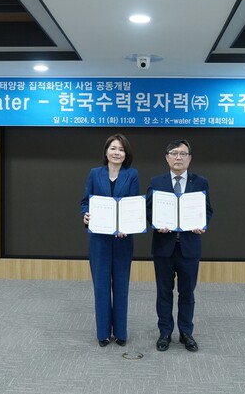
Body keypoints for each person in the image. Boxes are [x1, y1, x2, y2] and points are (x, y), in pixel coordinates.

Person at [146, 139, 213, 352]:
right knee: (164, 293)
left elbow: (208, 210)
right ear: (167, 158)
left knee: (187, 293)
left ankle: (186, 333)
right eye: (174, 153)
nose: (178, 157)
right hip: (164, 247)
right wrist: (157, 224)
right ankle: (165, 332)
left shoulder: (200, 182)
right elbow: (148, 210)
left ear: (189, 158)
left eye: (183, 154)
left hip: (189, 248)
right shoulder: (156, 182)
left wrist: (202, 224)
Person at [80, 133, 139, 347]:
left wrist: (128, 226)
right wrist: (85, 215)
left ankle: (121, 333)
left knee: (121, 286)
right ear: (106, 152)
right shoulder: (95, 174)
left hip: (123, 241)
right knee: (102, 286)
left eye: (121, 149)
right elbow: (85, 202)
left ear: (126, 154)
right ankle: (103, 333)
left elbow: (133, 206)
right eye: (113, 148)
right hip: (99, 241)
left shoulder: (132, 175)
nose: (117, 153)